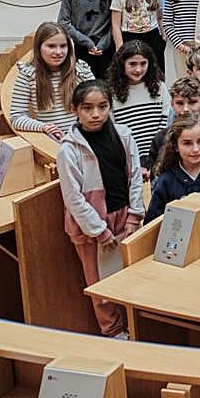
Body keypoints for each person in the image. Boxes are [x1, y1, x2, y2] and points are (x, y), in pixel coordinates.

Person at [57, 79, 143, 338]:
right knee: (101, 286)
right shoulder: (69, 149)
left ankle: (135, 329)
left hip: (123, 217)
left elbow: (135, 177)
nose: (96, 114)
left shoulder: (124, 135)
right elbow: (72, 198)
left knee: (130, 279)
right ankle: (113, 332)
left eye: (103, 106)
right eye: (88, 108)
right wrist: (99, 231)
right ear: (75, 109)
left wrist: (134, 216)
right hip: (93, 227)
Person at [10, 21, 95, 140]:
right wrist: (43, 127)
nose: (59, 52)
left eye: (63, 46)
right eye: (51, 46)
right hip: (51, 140)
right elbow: (17, 117)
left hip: (83, 137)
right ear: (39, 48)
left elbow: (98, 105)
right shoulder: (28, 75)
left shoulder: (81, 71)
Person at [145, 112, 200, 223]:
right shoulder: (166, 180)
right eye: (187, 143)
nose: (196, 149)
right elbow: (152, 223)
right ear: (176, 146)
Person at [107, 41, 170, 174]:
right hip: (129, 159)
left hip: (159, 156)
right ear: (122, 64)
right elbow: (113, 128)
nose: (138, 69)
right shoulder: (111, 93)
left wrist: (156, 152)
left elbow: (165, 119)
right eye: (132, 64)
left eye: (143, 64)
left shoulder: (160, 87)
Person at [58, 0, 115, 79]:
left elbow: (116, 22)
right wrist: (86, 42)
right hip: (81, 49)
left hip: (106, 49)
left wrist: (104, 43)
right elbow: (63, 22)